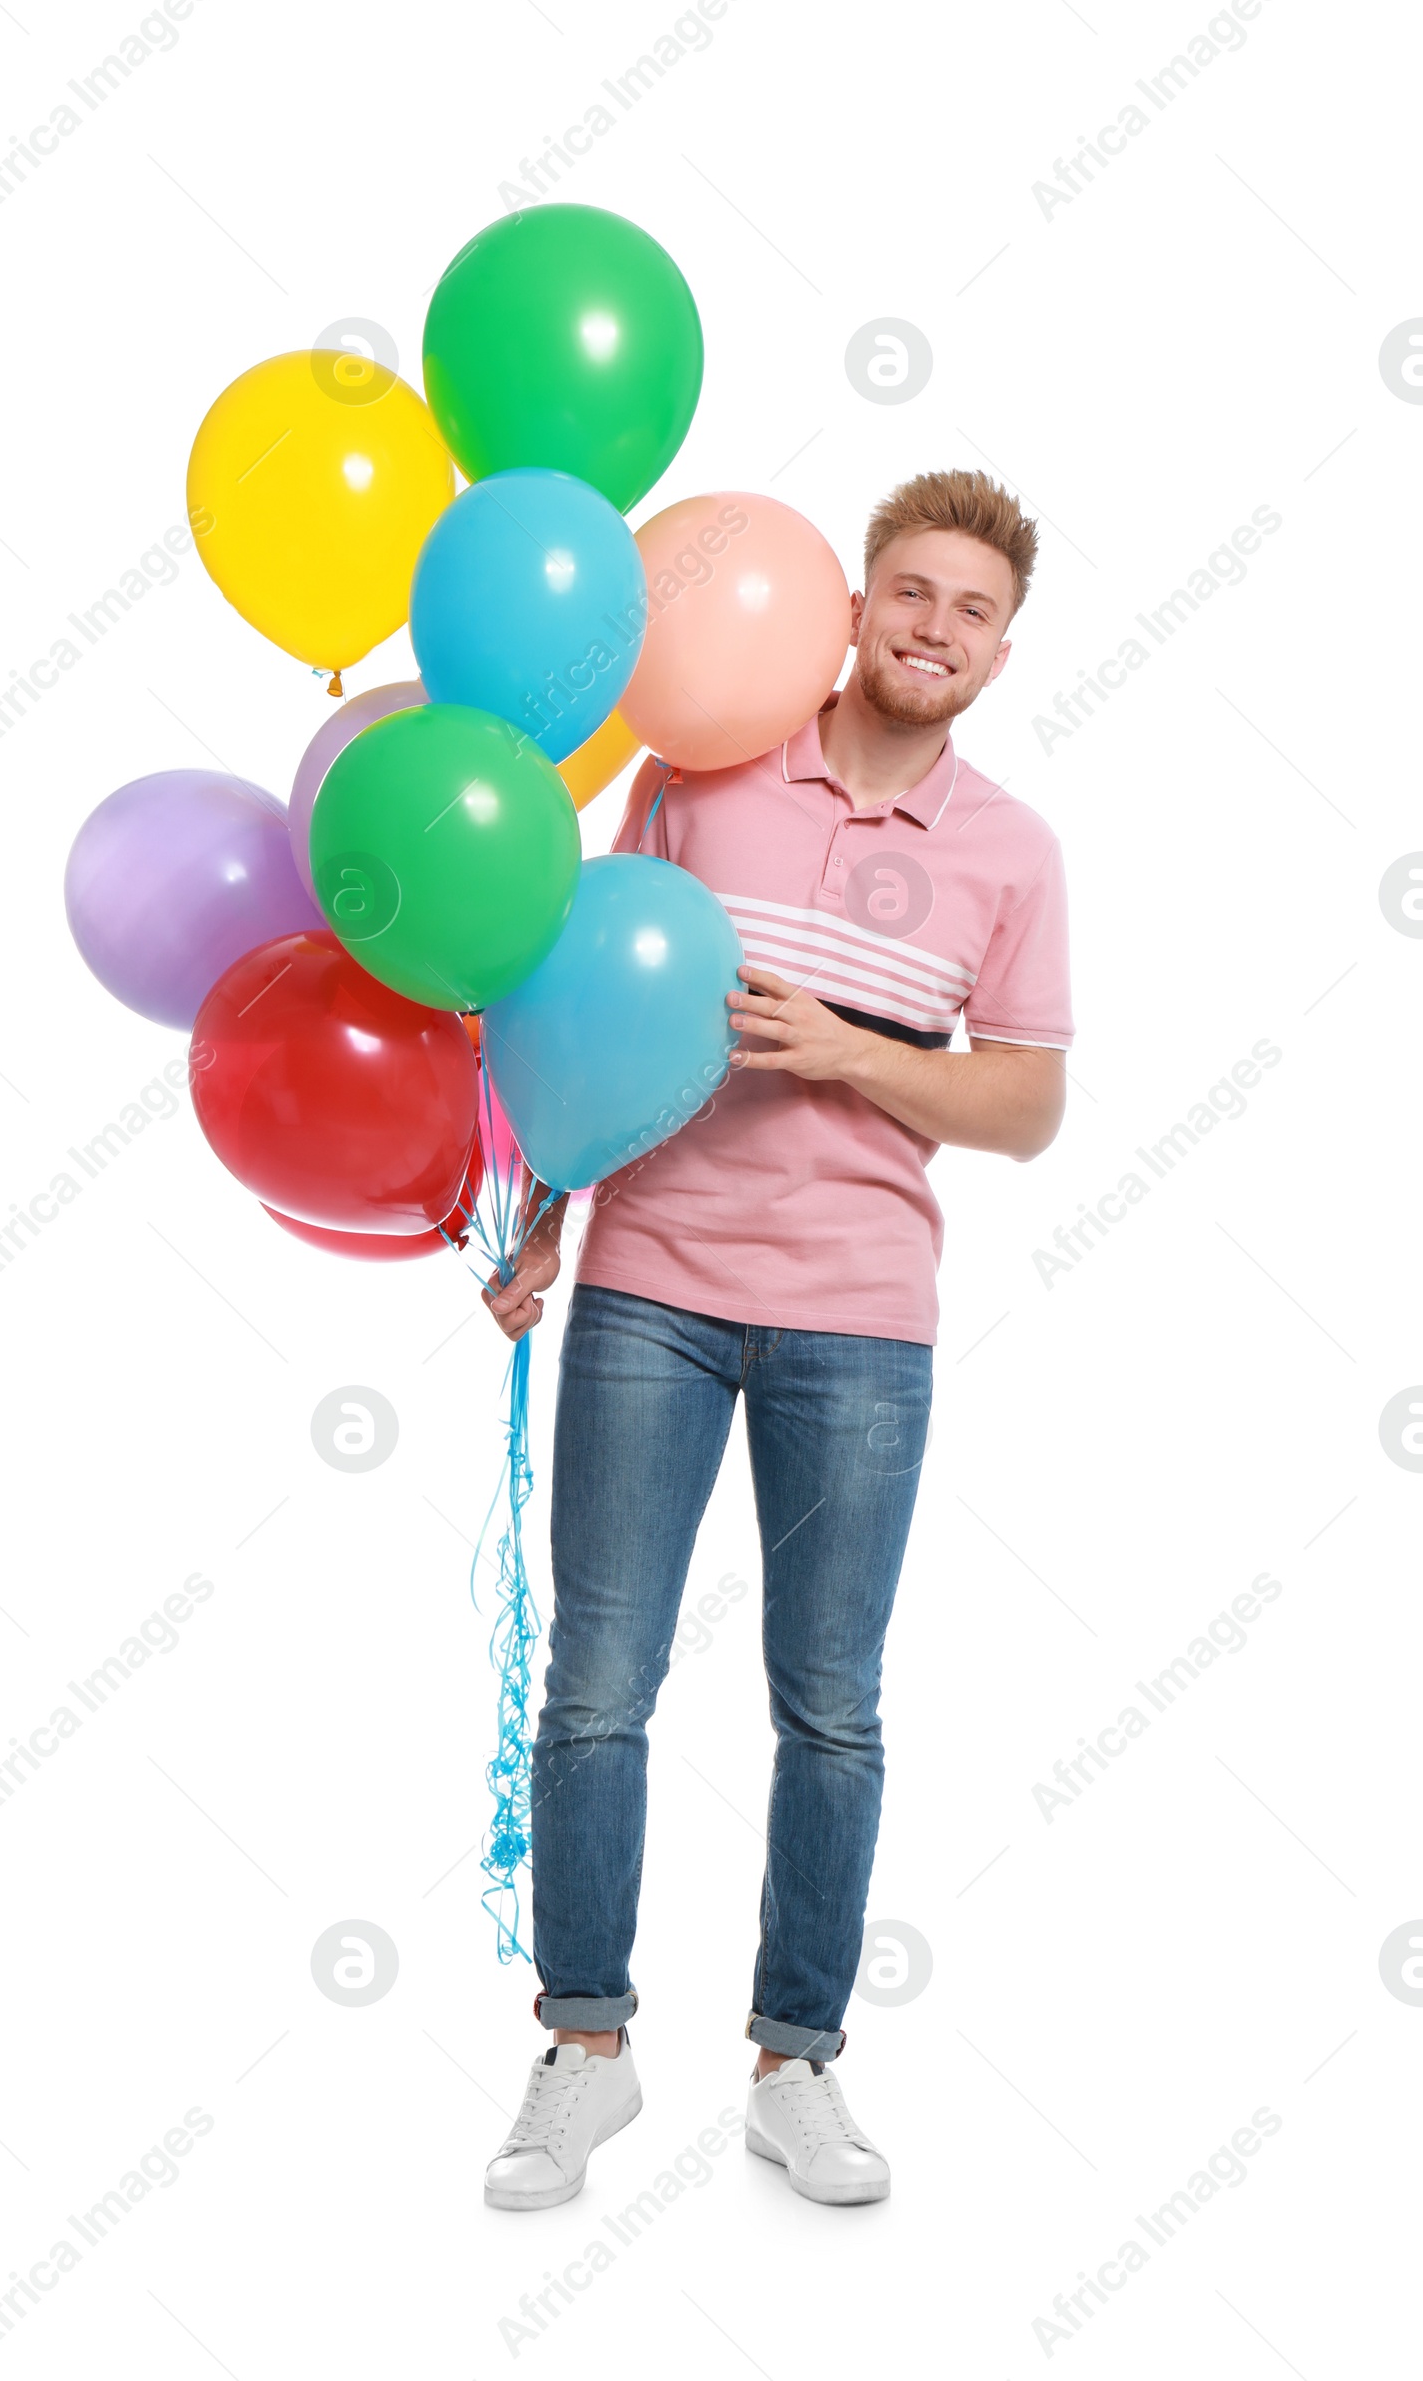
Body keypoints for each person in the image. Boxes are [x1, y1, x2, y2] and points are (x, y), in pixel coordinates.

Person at [479, 470, 1072, 2210]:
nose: (931, 629)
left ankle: (794, 2064)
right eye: (908, 592)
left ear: (1003, 648)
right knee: (597, 1684)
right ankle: (583, 2049)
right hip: (651, 1285)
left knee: (831, 1707)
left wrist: (850, 1052)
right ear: (852, 602)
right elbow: (578, 998)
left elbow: (1027, 1104)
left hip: (862, 1322)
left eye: (969, 610)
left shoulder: (1010, 853)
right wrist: (539, 1215)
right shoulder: (704, 769)